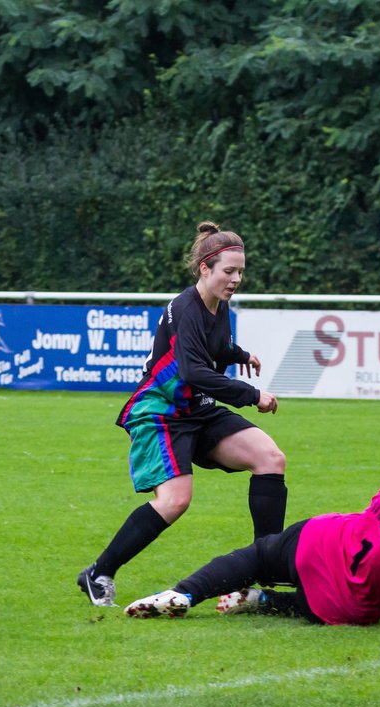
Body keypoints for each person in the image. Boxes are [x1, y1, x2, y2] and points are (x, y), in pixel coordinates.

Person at [78, 222, 288, 607]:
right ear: (205, 269)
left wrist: (240, 355)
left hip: (197, 408)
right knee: (175, 500)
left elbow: (216, 346)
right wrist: (251, 394)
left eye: (241, 271)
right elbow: (194, 371)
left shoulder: (218, 305)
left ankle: (267, 563)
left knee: (270, 458)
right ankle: (98, 572)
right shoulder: (184, 307)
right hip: (161, 410)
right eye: (229, 271)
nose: (237, 279)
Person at [123, 464, 380, 634]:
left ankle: (184, 592)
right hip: (337, 603)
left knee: (254, 555)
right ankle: (266, 601)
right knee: (311, 607)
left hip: (315, 542)